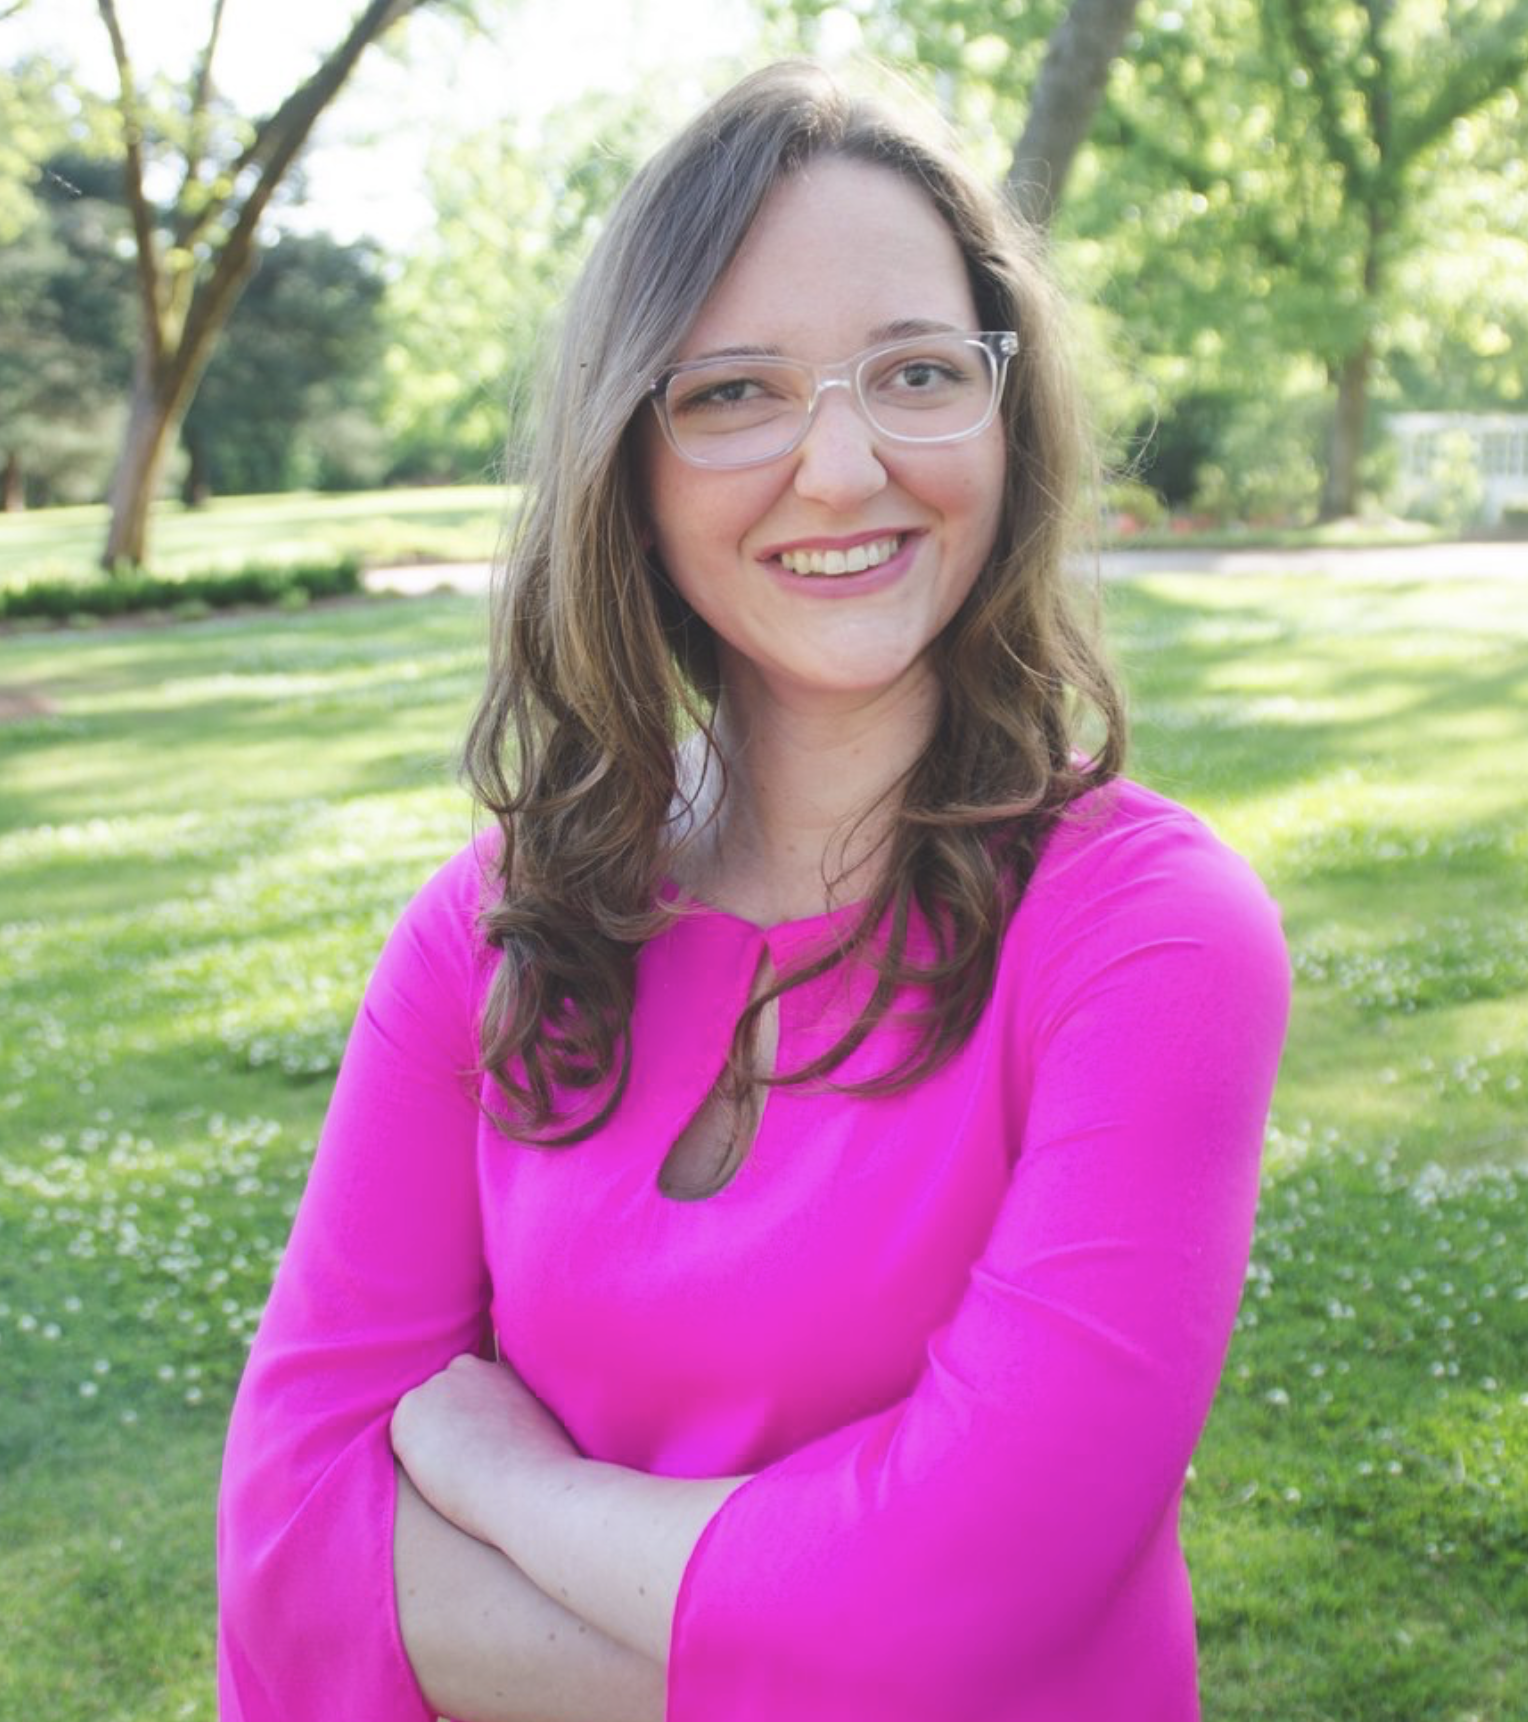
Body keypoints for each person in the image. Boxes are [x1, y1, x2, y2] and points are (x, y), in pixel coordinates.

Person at [217, 59, 1290, 1722]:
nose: (845, 467)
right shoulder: (496, 926)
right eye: (735, 393)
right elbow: (290, 1546)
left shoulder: (1148, 936)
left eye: (917, 371)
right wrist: (811, 1625)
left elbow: (959, 1609)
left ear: (1005, 417)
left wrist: (504, 1490)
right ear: (629, 456)